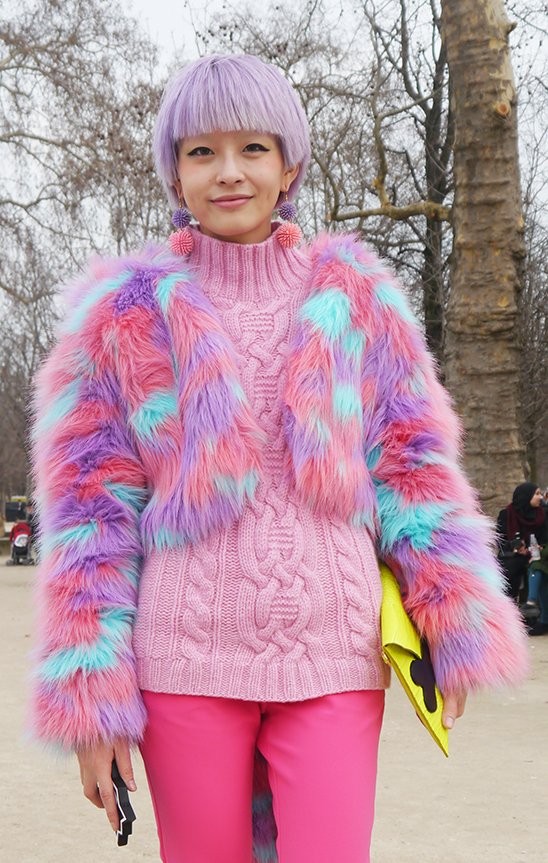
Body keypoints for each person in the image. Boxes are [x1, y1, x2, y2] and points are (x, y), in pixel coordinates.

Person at [30, 54, 528, 863]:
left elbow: (413, 464)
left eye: (253, 148)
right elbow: (88, 518)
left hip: (332, 651)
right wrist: (92, 703)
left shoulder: (358, 297)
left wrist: (454, 611)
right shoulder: (120, 317)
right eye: (201, 151)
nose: (228, 172)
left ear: (289, 163)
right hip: (185, 660)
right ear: (174, 172)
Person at [496, 483, 547, 612]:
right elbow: (500, 541)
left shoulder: (543, 514)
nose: (540, 497)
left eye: (540, 494)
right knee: (509, 567)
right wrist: (515, 546)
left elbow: (545, 539)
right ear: (526, 497)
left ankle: (535, 612)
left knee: (536, 565)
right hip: (514, 555)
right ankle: (508, 610)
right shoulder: (507, 514)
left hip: (538, 555)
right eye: (537, 494)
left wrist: (539, 547)